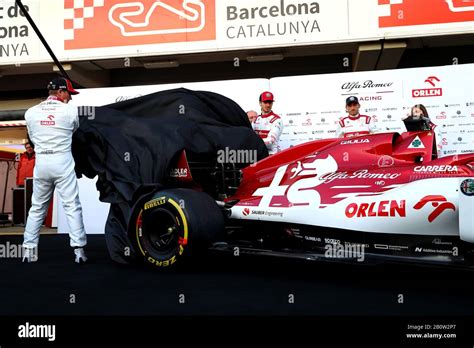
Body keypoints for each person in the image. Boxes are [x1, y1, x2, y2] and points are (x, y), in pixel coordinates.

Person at [22, 77, 87, 263]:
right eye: (69, 93)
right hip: (62, 161)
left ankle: (28, 251)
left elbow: (32, 138)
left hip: (41, 162)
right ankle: (79, 252)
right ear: (60, 92)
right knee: (72, 206)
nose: (70, 98)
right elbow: (74, 130)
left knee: (37, 207)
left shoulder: (31, 112)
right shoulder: (69, 110)